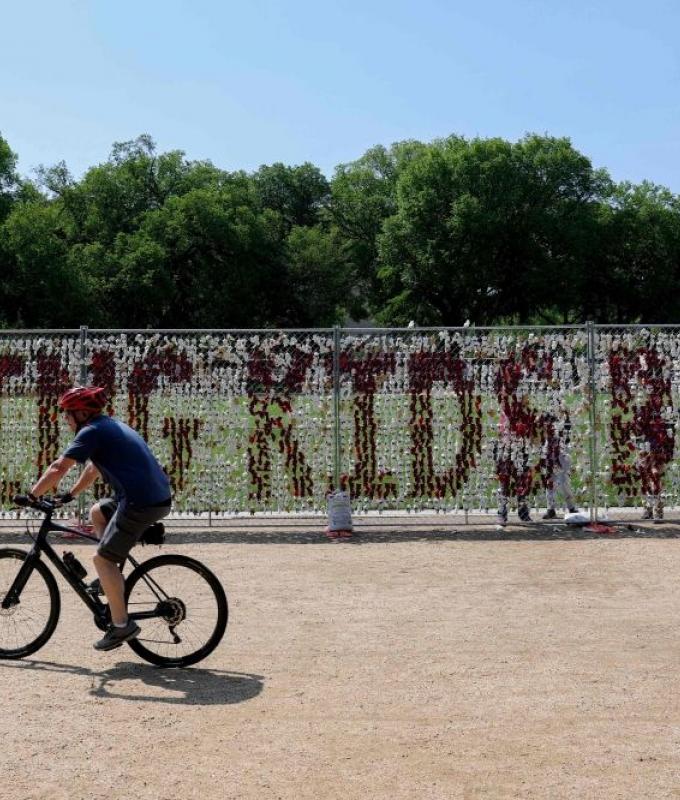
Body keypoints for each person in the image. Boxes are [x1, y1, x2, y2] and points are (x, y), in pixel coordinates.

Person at [29, 386, 172, 651]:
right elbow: (94, 467)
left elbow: (59, 466)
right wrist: (70, 495)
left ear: (83, 412)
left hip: (141, 501)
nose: (66, 419)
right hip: (149, 496)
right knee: (97, 512)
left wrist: (32, 495)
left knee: (101, 560)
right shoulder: (105, 426)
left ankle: (121, 626)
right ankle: (111, 578)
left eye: (68, 413)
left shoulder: (92, 431)